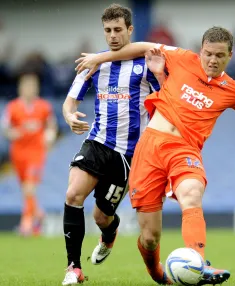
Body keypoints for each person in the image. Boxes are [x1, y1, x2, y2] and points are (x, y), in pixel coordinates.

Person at [75, 26, 235, 285]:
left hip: (185, 150)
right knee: (150, 237)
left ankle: (199, 263)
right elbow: (141, 46)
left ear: (230, 56)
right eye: (208, 54)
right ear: (200, 51)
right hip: (150, 148)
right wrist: (100, 57)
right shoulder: (183, 58)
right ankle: (157, 273)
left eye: (220, 56)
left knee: (192, 193)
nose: (212, 60)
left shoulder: (234, 90)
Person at [61, 4, 161, 285]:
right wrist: (70, 116)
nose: (113, 35)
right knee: (73, 195)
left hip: (127, 155)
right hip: (97, 142)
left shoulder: (145, 64)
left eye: (118, 30)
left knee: (102, 217)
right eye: (108, 30)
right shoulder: (95, 64)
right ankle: (74, 268)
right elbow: (70, 102)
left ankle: (109, 232)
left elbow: (165, 100)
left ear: (130, 30)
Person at [1, 72, 57, 236]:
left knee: (29, 187)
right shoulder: (12, 107)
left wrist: (50, 136)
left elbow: (51, 125)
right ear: (20, 88)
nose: (29, 90)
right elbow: (6, 129)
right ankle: (38, 214)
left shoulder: (43, 106)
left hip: (36, 151)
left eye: (33, 86)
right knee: (26, 188)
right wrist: (15, 133)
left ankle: (26, 223)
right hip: (18, 152)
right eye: (26, 86)